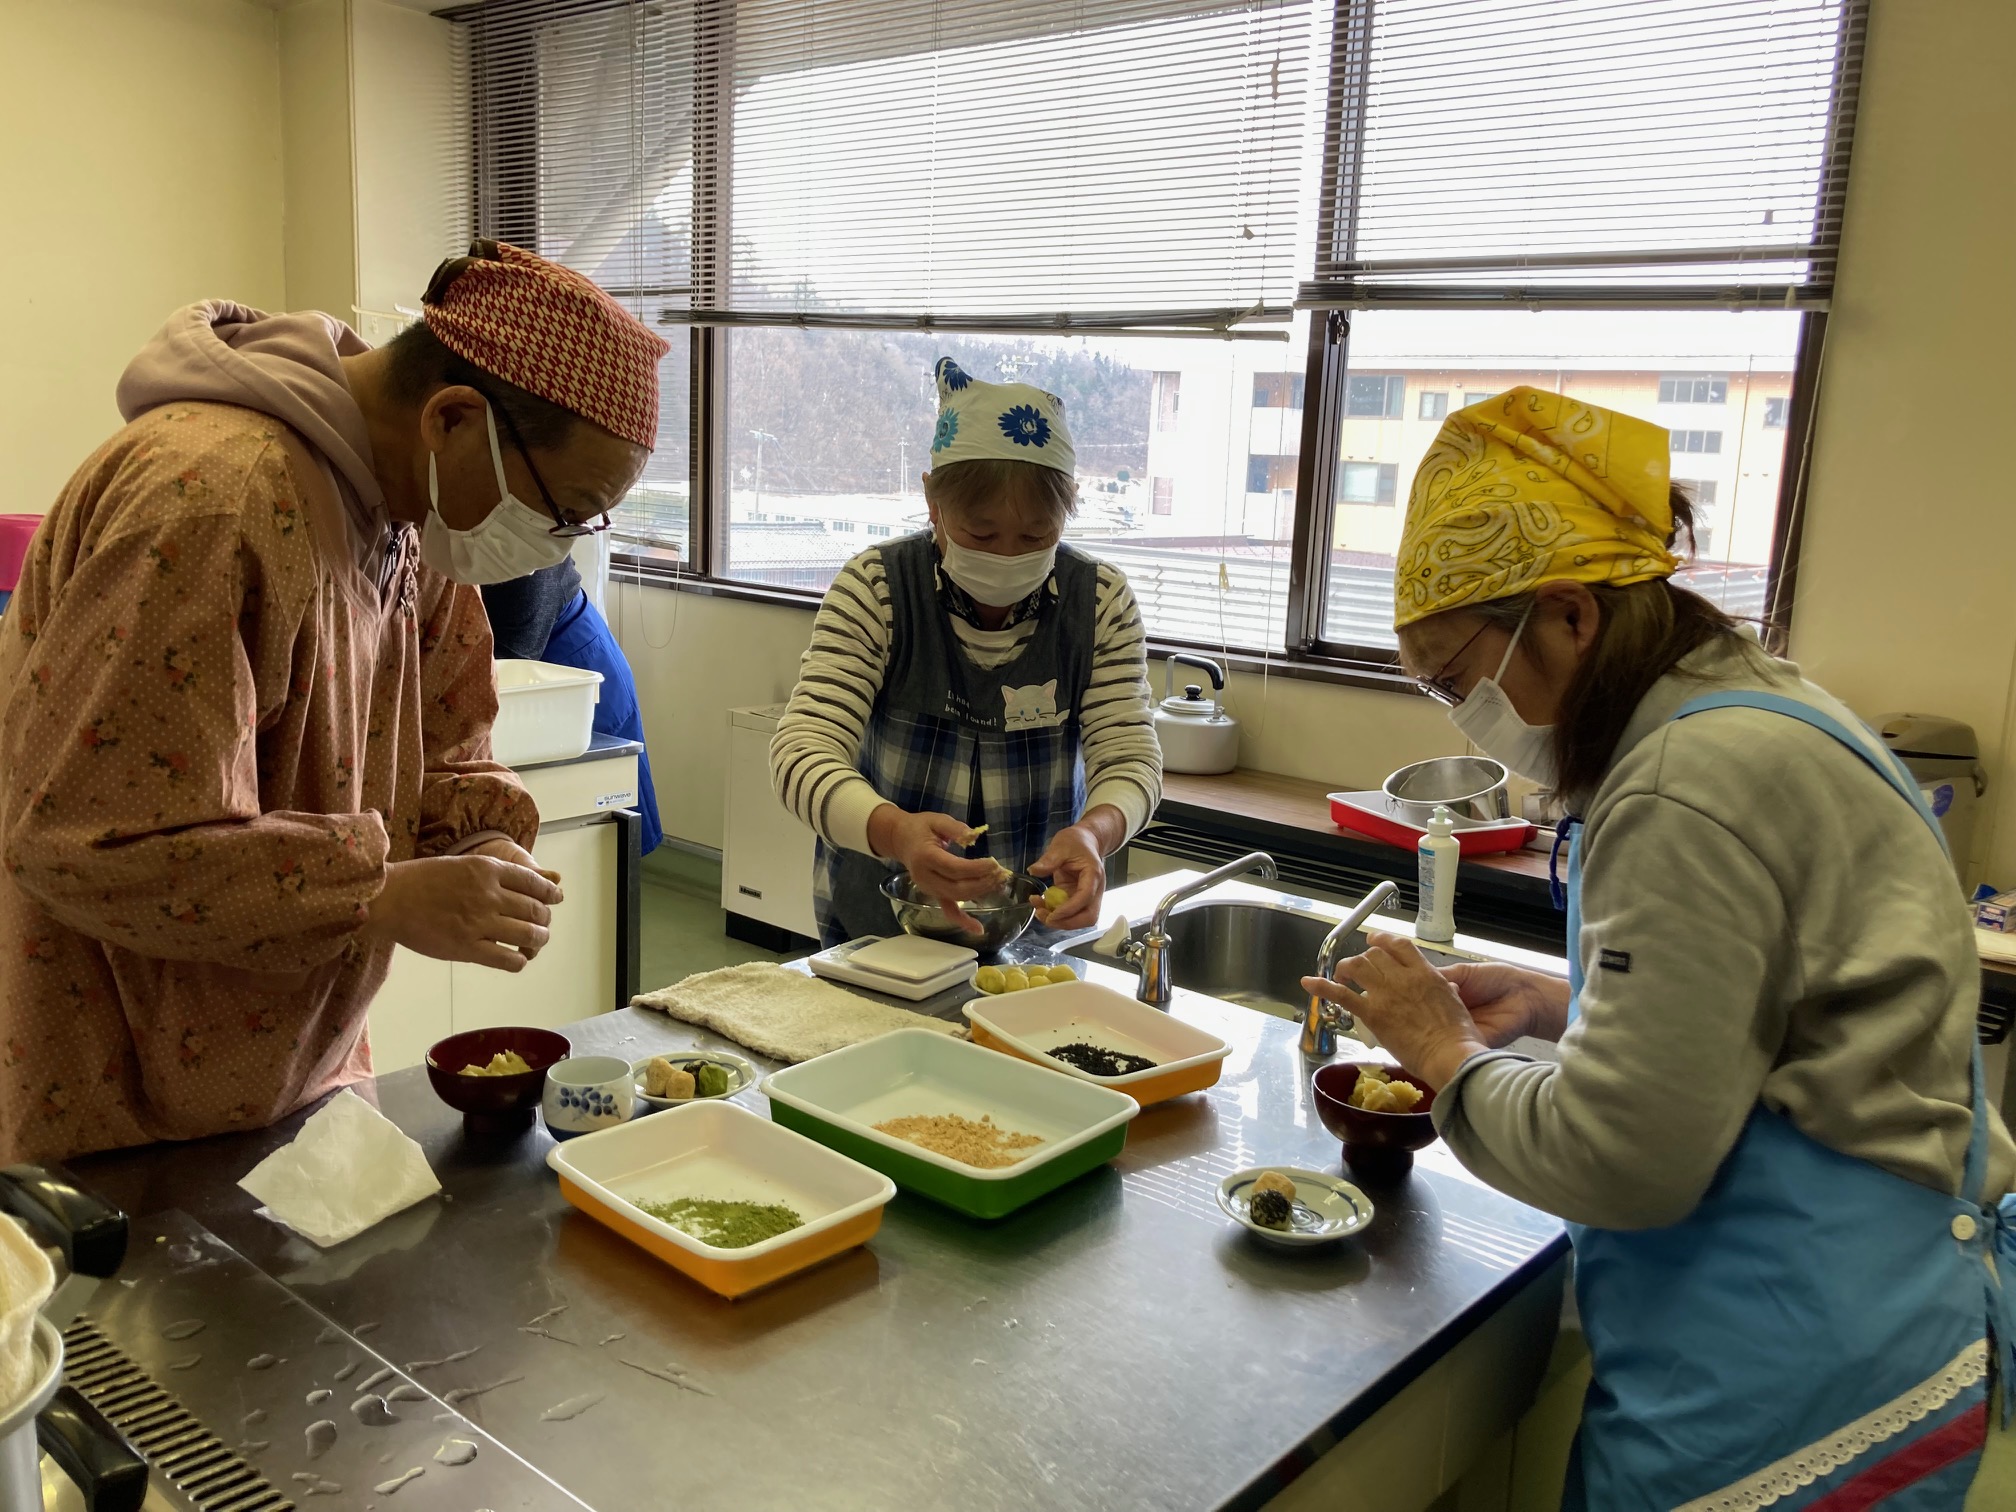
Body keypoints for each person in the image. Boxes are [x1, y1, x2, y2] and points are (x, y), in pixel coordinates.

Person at [1304, 387, 2016, 1508]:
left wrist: (1441, 1053)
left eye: (1456, 678)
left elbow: (1618, 1162)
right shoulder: (1755, 710)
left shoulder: (1685, 785)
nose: (1460, 715)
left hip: (1786, 1384)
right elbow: (1773, 1015)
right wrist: (1553, 1003)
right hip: (1872, 1320)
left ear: (1571, 615)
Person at [0, 239, 670, 1163]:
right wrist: (379, 896)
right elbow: (91, 844)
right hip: (123, 1093)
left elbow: (446, 745)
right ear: (453, 419)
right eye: (567, 509)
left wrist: (476, 842)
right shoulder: (208, 504)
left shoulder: (410, 525)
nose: (557, 548)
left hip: (297, 1057)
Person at [771, 357, 1161, 947]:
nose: (1007, 556)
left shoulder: (1099, 602)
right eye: (980, 534)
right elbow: (801, 753)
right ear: (933, 502)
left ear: (1069, 510)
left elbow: (1130, 759)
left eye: (1036, 536)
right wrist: (895, 833)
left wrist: (1095, 833)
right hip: (883, 930)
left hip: (1032, 929)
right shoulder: (877, 589)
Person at [482, 559, 664, 855]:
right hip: (526, 674)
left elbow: (500, 675)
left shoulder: (527, 566)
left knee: (601, 840)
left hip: (573, 671)